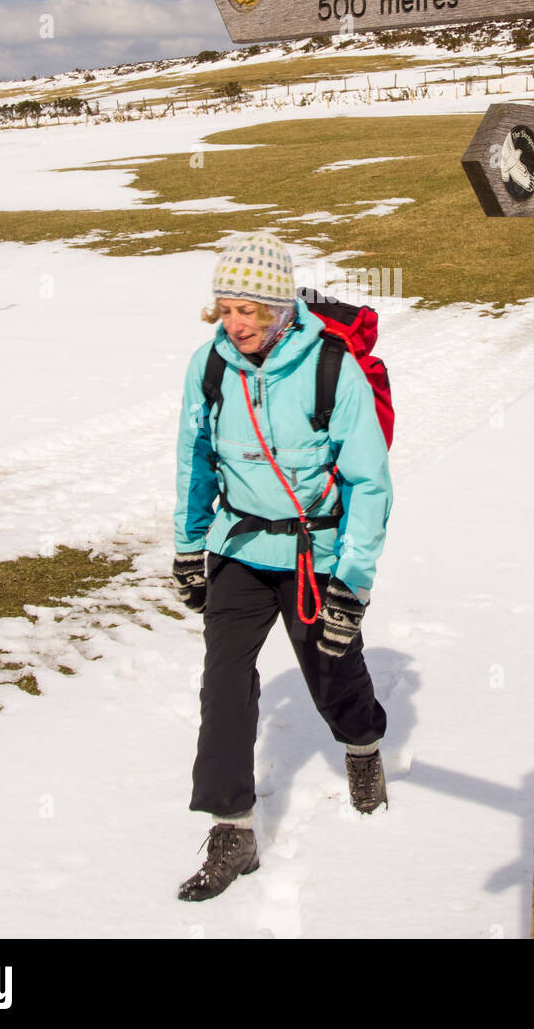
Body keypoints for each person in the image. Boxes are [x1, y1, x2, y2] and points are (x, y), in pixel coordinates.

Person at [172, 231, 393, 901]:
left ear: (277, 308)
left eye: (249, 309)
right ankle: (231, 828)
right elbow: (195, 457)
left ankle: (361, 745)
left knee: (330, 669)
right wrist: (188, 544)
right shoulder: (208, 366)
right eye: (226, 308)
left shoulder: (329, 366)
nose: (235, 322)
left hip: (313, 552)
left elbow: (369, 482)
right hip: (238, 548)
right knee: (223, 684)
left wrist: (350, 586)